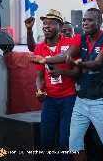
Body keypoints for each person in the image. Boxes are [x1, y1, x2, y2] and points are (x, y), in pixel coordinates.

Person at [29, 8, 103, 161]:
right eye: (84, 20)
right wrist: (45, 60)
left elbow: (97, 64)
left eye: (90, 20)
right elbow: (65, 56)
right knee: (74, 146)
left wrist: (76, 63)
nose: (86, 22)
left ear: (100, 22)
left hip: (101, 101)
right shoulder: (80, 38)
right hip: (81, 100)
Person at [32, 9, 81, 161]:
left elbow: (77, 73)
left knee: (64, 141)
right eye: (45, 23)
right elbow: (39, 77)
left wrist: (62, 71)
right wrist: (40, 91)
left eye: (52, 23)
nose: (47, 26)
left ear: (60, 27)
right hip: (50, 100)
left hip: (69, 98)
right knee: (46, 140)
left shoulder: (70, 44)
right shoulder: (39, 48)